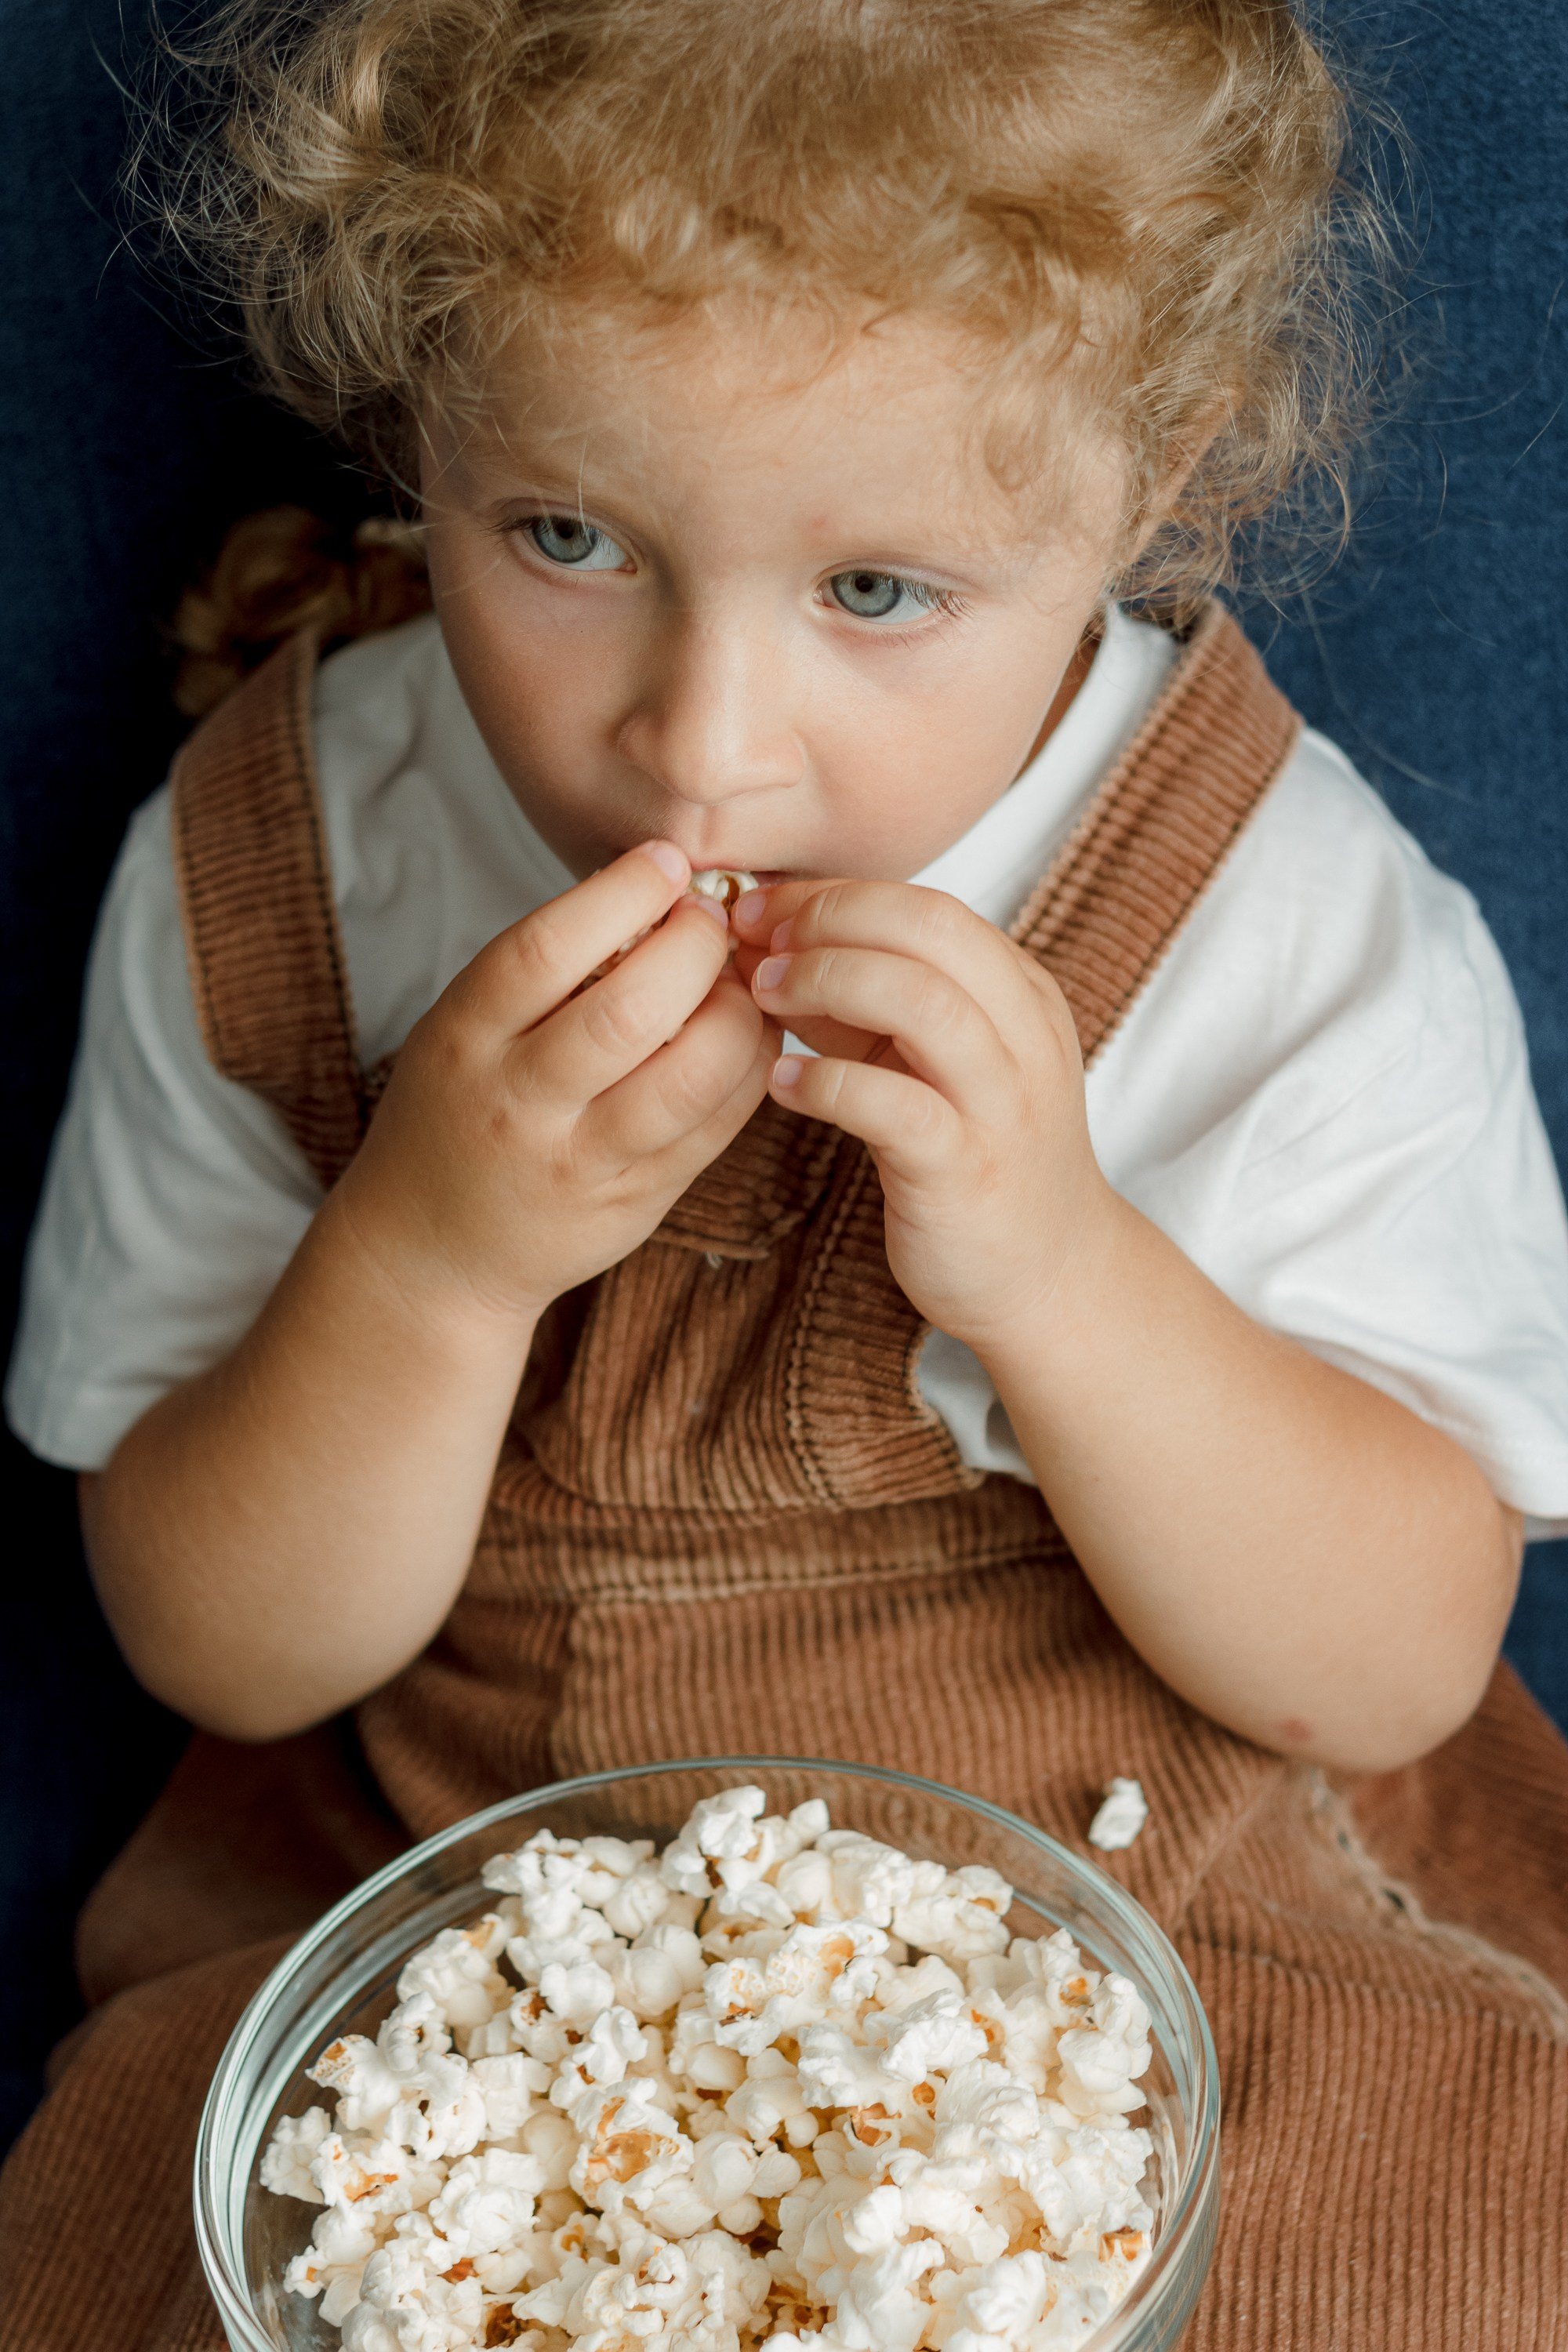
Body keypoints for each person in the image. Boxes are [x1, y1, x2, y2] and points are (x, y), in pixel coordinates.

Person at [3, 0, 1567, 2341]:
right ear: (421, 428)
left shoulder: (1280, 919)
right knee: (123, 2241)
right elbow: (223, 1651)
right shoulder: (280, 867)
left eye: (876, 595)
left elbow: (1398, 1665)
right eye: (565, 537)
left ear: (1150, 478)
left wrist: (1061, 1274)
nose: (696, 747)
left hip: (1183, 1910)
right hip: (480, 1929)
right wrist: (425, 1266)